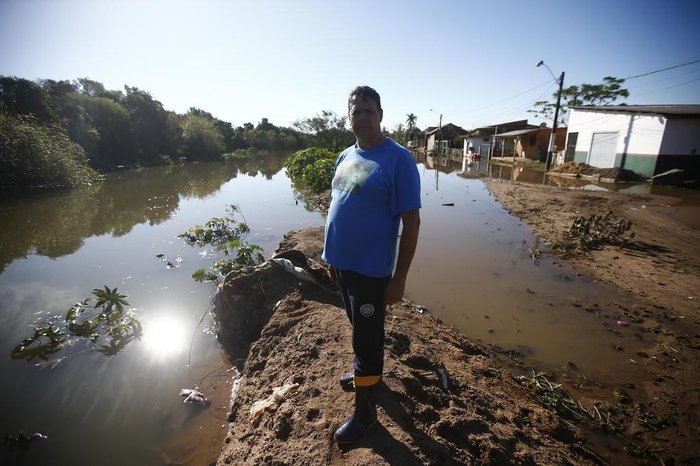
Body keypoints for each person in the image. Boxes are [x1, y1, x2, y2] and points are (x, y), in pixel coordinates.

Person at [322, 86, 421, 444]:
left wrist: (400, 278)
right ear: (348, 117)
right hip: (342, 266)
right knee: (360, 330)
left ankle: (366, 416)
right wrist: (329, 257)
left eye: (368, 110)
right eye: (355, 112)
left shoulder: (398, 159)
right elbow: (338, 205)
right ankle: (370, 377)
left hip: (370, 271)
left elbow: (412, 223)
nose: (361, 117)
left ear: (380, 114)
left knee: (365, 339)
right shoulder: (345, 155)